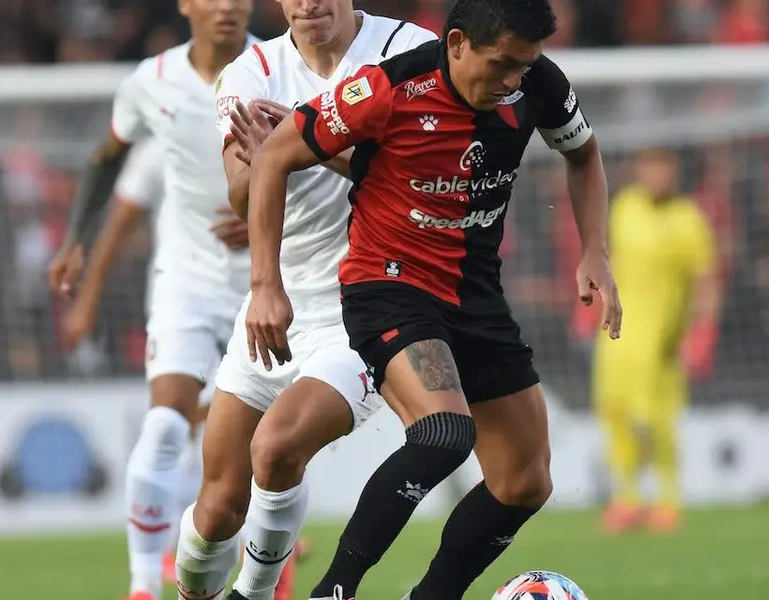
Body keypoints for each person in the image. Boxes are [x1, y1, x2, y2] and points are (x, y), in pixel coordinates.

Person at [244, 0, 622, 598]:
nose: (511, 82)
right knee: (445, 432)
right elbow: (274, 155)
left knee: (525, 480)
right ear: (455, 44)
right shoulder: (387, 89)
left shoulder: (539, 83)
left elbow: (584, 155)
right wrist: (266, 285)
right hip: (388, 286)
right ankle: (334, 590)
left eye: (523, 67)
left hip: (475, 294)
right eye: (502, 65)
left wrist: (595, 250)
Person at [171, 3, 438, 600]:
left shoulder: (410, 52)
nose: (310, 4)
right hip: (275, 308)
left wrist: (303, 137)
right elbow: (242, 198)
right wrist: (268, 157)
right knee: (216, 510)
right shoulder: (252, 71)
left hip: (372, 307)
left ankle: (258, 592)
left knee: (279, 444)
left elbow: (422, 180)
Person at [45, 1, 257, 599]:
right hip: (185, 278)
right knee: (166, 424)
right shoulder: (152, 83)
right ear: (187, 4)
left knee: (255, 448)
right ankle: (142, 587)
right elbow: (109, 160)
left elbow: (327, 163)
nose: (229, 7)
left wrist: (271, 210)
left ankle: (257, 569)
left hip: (269, 281)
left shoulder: (279, 66)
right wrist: (74, 244)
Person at [588, 148, 720, 534]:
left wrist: (703, 332)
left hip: (662, 342)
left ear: (674, 173)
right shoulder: (625, 207)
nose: (655, 176)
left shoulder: (688, 220)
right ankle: (626, 499)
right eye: (648, 167)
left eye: (663, 168)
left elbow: (707, 278)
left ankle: (667, 500)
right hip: (615, 334)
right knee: (615, 413)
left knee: (658, 422)